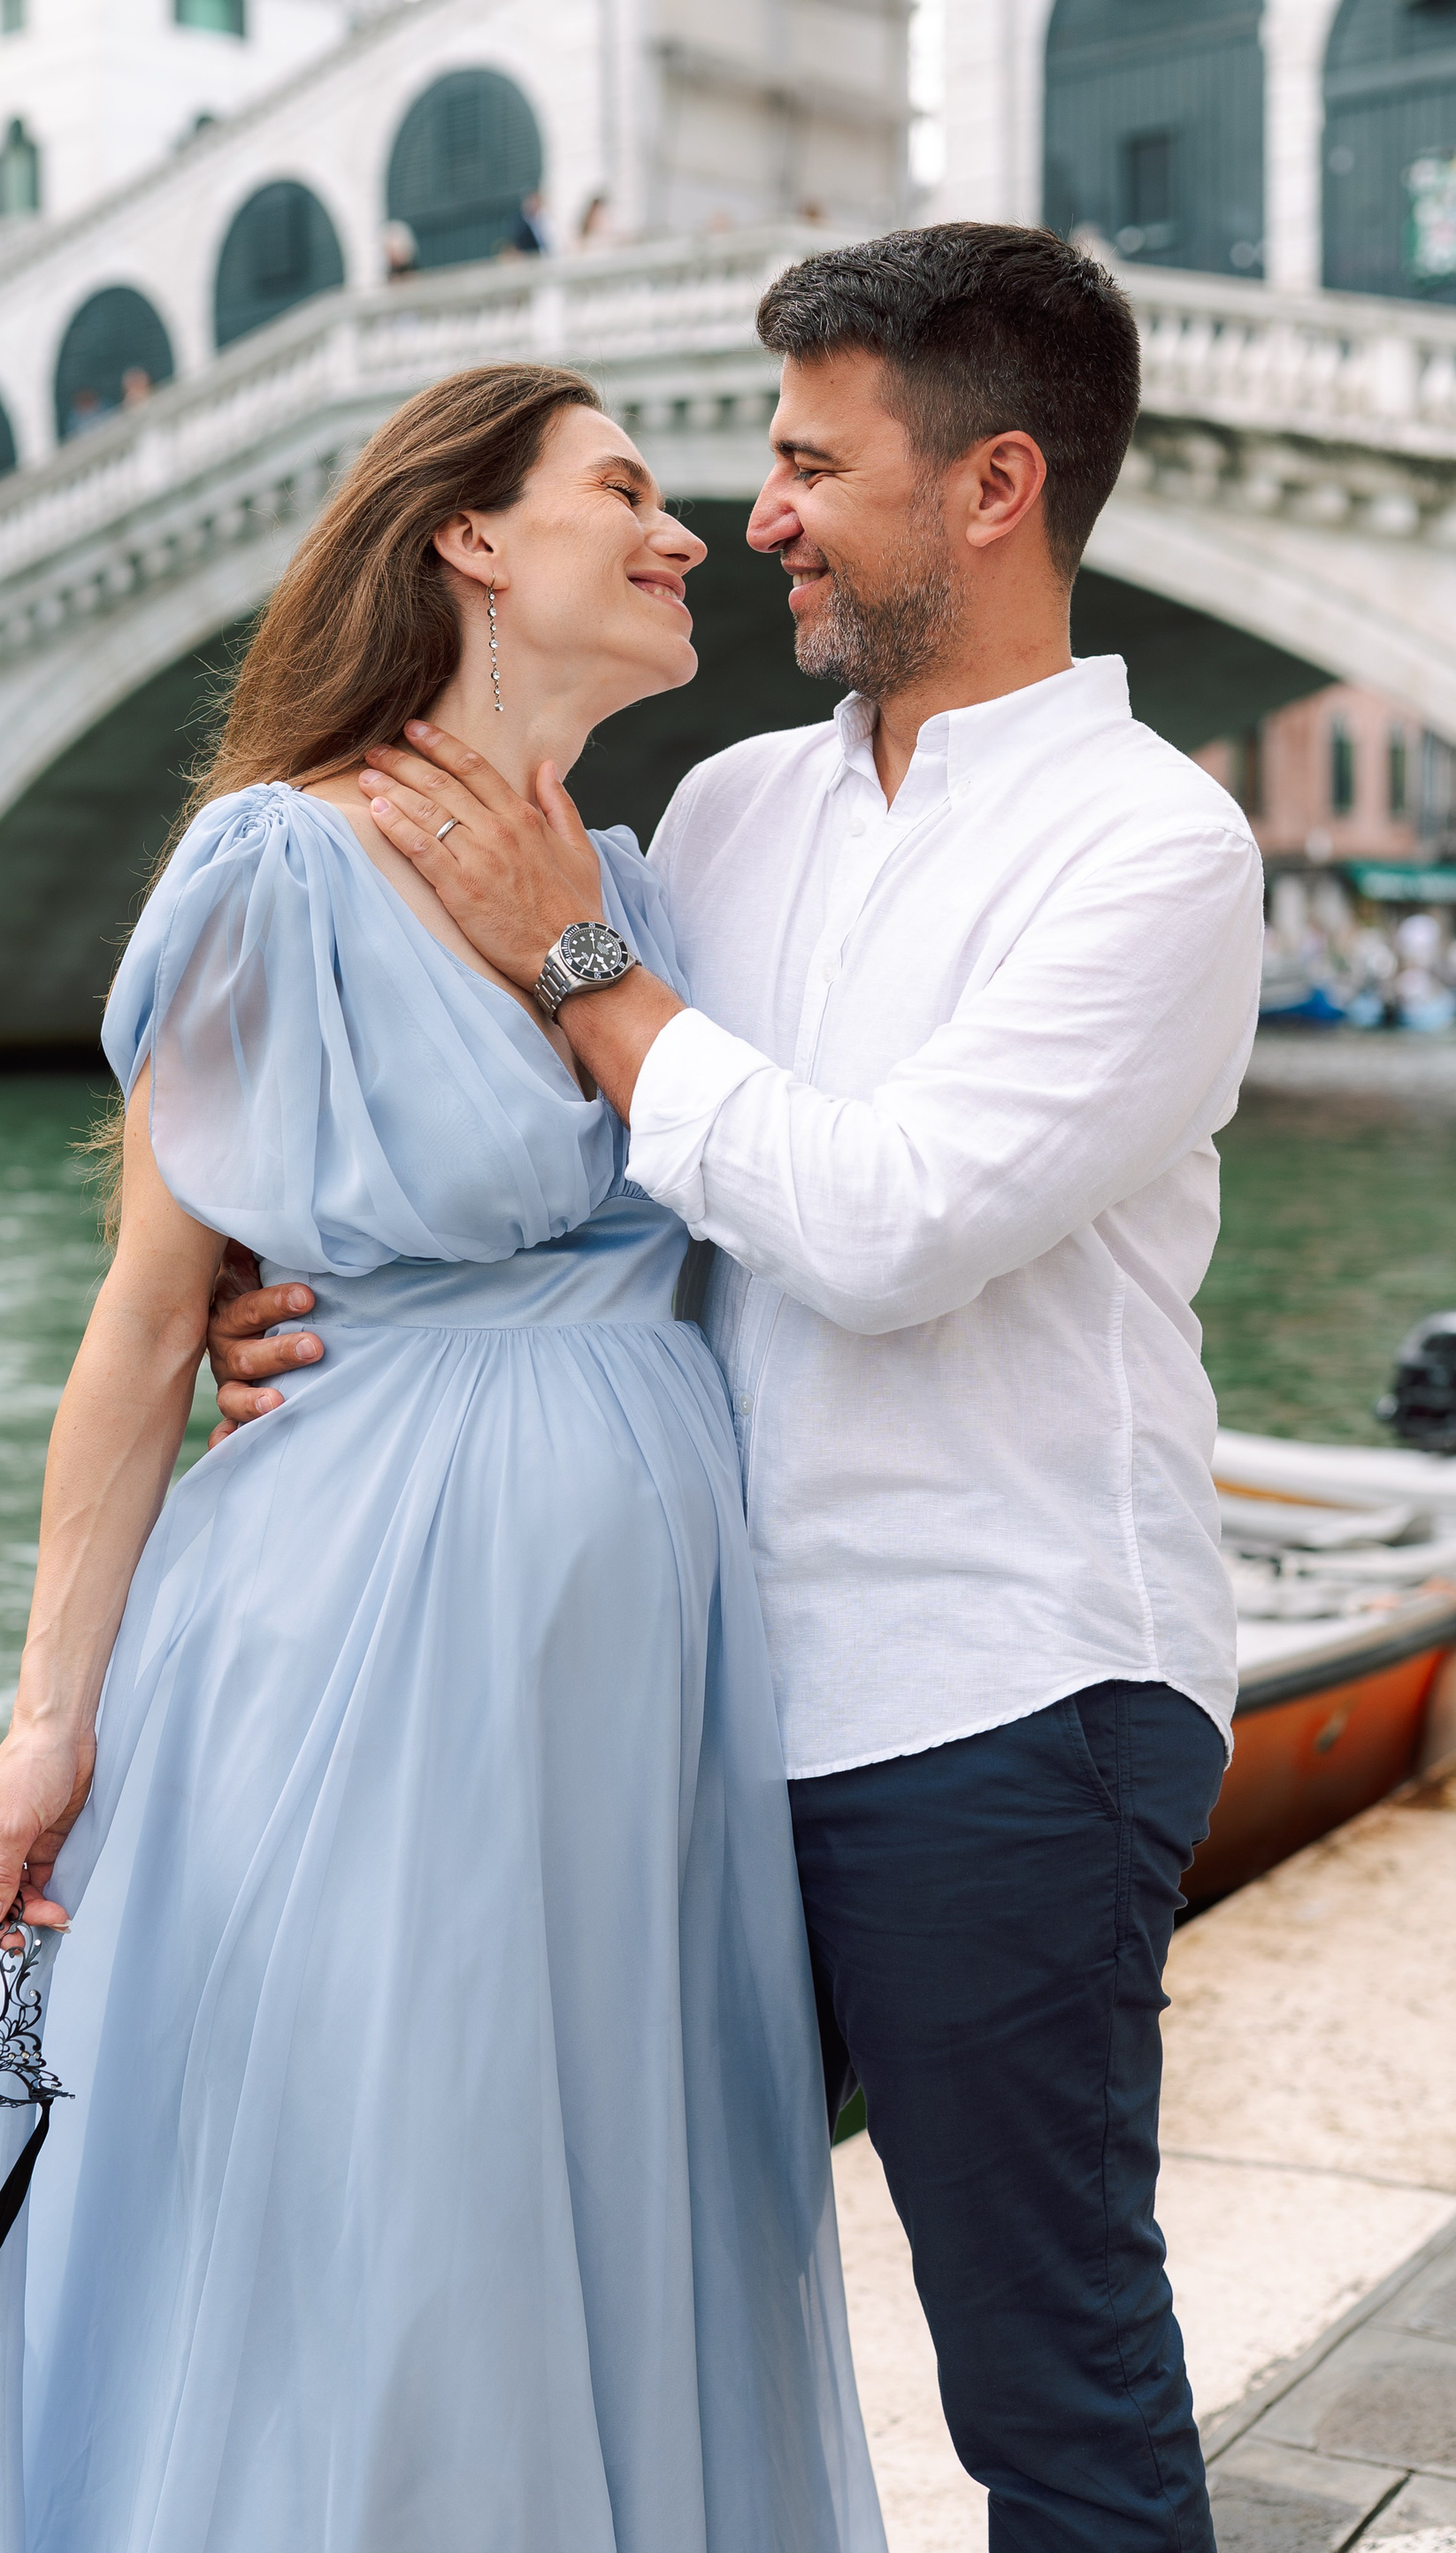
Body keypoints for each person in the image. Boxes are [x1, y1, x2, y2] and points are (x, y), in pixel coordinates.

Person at [215, 226, 1264, 2552]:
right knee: (597, 2310)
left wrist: (586, 967)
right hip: (679, 1704)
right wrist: (290, 1305)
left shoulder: (1158, 849)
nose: (758, 511)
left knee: (1050, 2378)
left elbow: (883, 1225)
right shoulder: (732, 814)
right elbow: (592, 1204)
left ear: (992, 486)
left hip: (1001, 1699)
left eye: (812, 463)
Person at [0, 366, 885, 2553]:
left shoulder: (633, 893)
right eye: (623, 491)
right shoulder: (280, 863)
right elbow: (148, 1325)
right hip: (371, 1635)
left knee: (617, 2201)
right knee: (396, 2205)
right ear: (470, 540)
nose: (686, 532)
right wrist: (48, 1721)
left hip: (639, 1681)